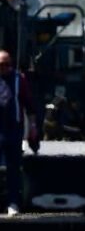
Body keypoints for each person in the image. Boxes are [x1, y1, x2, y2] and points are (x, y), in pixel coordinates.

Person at [0, 50, 38, 215]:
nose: (4, 68)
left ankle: (13, 202)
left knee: (13, 168)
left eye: (7, 64)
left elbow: (29, 104)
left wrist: (33, 127)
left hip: (13, 129)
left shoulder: (18, 79)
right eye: (1, 65)